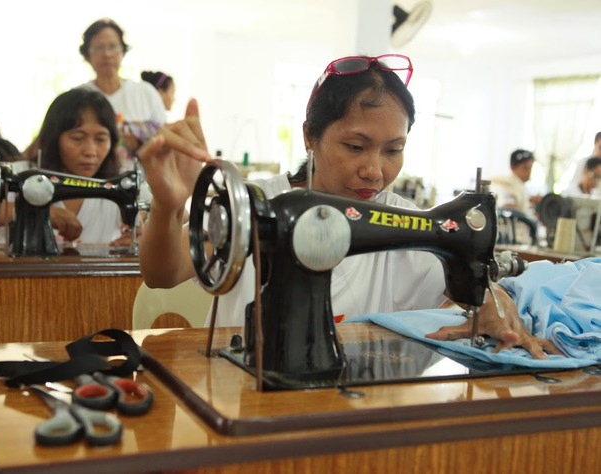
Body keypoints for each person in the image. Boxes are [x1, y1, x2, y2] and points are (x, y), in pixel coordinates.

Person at [135, 54, 561, 360]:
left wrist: (492, 297)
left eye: (394, 150)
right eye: (356, 147)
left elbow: (468, 285)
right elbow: (162, 274)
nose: (375, 171)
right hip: (246, 394)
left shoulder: (408, 222)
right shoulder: (254, 202)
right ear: (310, 136)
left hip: (369, 407)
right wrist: (170, 206)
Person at [0, 88, 133, 246]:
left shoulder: (120, 184)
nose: (91, 151)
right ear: (54, 138)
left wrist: (138, 239)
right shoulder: (22, 174)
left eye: (101, 139)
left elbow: (145, 230)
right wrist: (30, 211)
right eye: (77, 138)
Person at [78, 18, 166, 171]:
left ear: (122, 52)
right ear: (87, 55)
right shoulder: (79, 97)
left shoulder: (145, 93)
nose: (107, 54)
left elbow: (164, 140)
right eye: (98, 48)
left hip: (142, 184)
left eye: (113, 47)